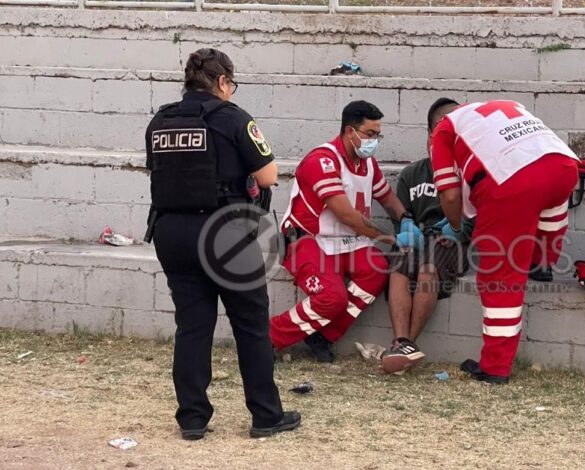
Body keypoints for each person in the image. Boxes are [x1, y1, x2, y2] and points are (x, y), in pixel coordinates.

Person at [145, 48, 300, 439]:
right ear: (222, 82)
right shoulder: (232, 117)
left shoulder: (160, 121)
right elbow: (267, 176)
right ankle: (266, 416)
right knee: (250, 326)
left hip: (172, 232)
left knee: (192, 327)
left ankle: (192, 419)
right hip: (225, 233)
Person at [431, 99, 579, 384]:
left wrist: (455, 225)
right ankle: (543, 262)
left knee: (499, 276)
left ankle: (495, 368)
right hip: (563, 164)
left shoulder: (444, 131)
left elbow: (449, 195)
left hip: (511, 181)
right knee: (550, 205)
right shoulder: (502, 106)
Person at [270, 100, 422, 363]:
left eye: (378, 135)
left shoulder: (368, 164)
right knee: (332, 297)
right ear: (350, 132)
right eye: (370, 134)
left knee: (376, 272)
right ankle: (267, 338)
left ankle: (322, 336)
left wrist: (405, 218)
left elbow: (386, 198)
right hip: (307, 240)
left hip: (346, 242)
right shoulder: (323, 160)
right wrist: (390, 237)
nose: (375, 141)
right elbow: (347, 215)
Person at [380, 97, 474, 374]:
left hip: (449, 243)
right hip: (418, 240)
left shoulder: (467, 173)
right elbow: (401, 215)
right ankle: (402, 344)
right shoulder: (412, 174)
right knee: (398, 265)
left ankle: (407, 343)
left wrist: (457, 230)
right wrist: (406, 229)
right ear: (431, 132)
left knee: (428, 268)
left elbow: (475, 217)